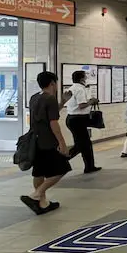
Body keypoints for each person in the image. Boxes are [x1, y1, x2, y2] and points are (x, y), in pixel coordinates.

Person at [20, 71, 70, 215]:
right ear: (53, 83)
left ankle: (42, 203)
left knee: (39, 172)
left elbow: (46, 114)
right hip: (47, 141)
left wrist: (62, 103)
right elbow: (53, 122)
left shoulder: (35, 97)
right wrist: (62, 143)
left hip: (35, 141)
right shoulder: (50, 98)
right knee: (62, 169)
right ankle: (36, 195)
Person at [64, 70, 101, 174]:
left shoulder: (72, 88)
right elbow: (81, 105)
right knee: (81, 145)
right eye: (85, 77)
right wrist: (92, 101)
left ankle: (89, 166)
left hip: (71, 118)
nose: (86, 79)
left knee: (85, 144)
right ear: (81, 79)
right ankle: (61, 161)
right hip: (77, 120)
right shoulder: (80, 89)